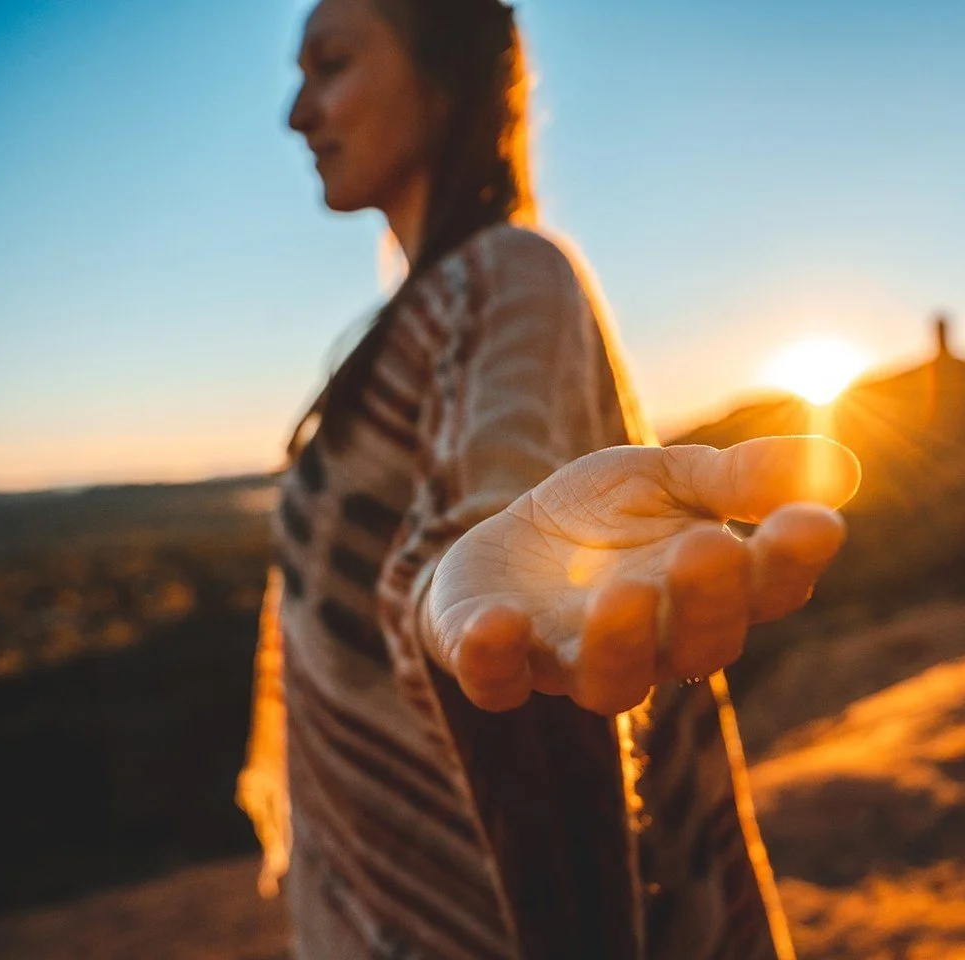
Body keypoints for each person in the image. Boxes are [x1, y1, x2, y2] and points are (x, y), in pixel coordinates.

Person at [235, 0, 861, 958]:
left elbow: (491, 510)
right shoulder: (414, 314)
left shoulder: (507, 275)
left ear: (444, 79)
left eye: (332, 64)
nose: (297, 112)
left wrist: (477, 594)